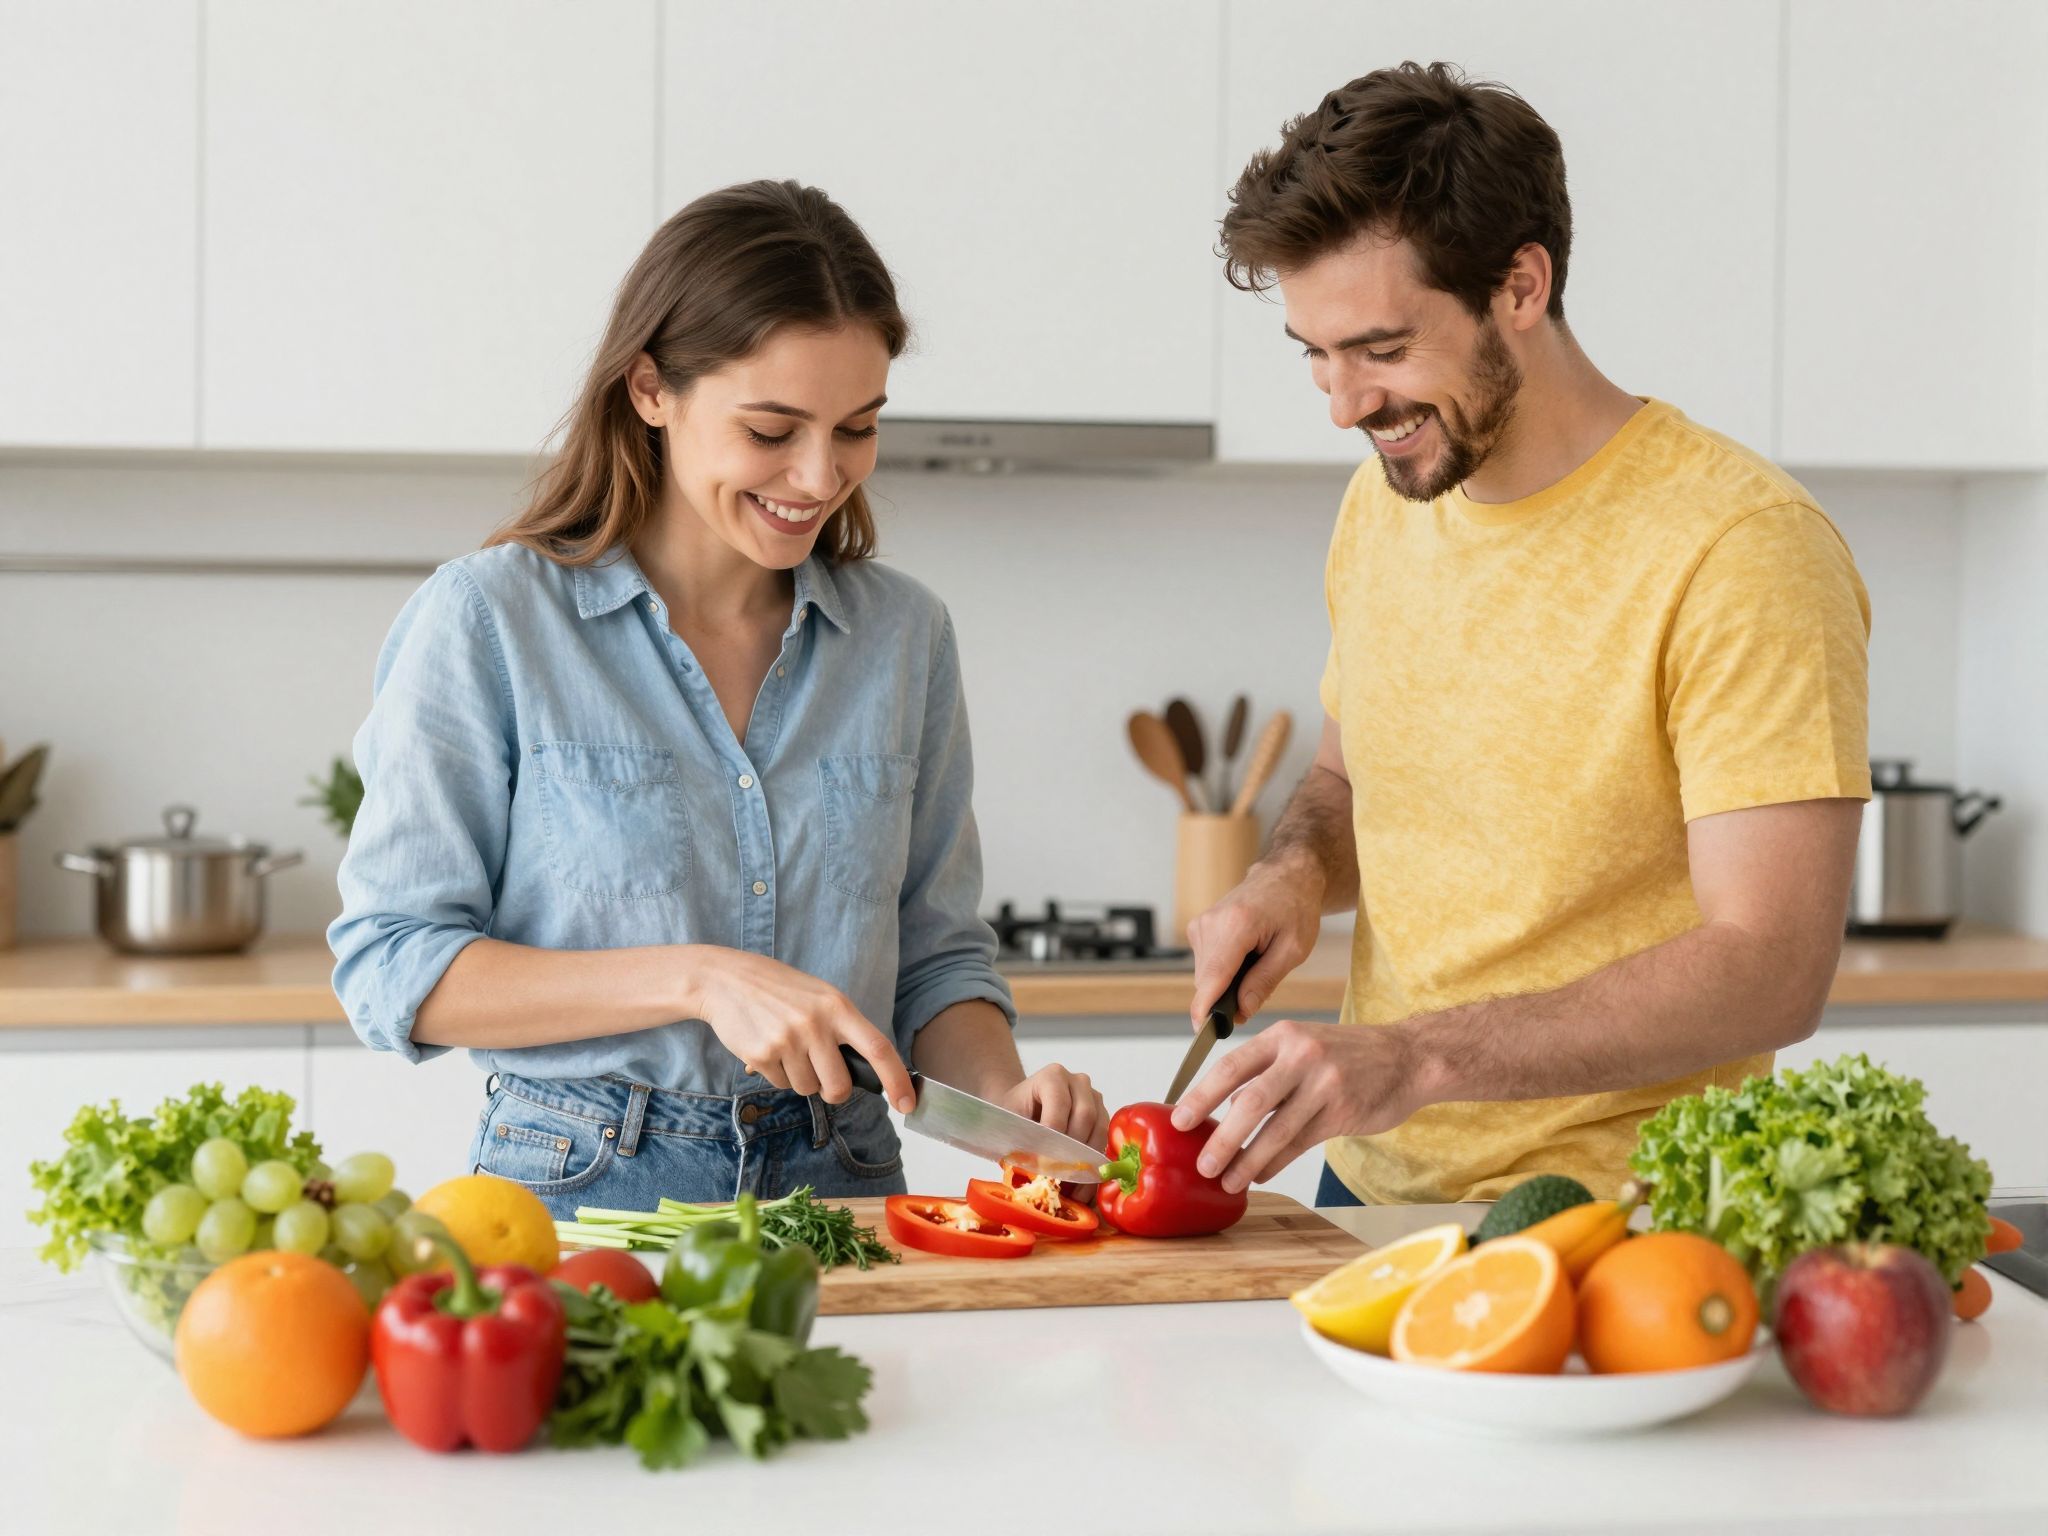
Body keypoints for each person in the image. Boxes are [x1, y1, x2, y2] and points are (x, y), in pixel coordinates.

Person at [329, 180, 1103, 1213]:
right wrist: (698, 978)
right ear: (651, 389)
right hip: (582, 1185)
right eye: (772, 429)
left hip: (850, 1189)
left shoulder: (902, 637)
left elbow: (933, 958)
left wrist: (1009, 1097)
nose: (821, 476)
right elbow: (393, 967)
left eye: (857, 428)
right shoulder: (491, 621)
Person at [1176, 63, 1870, 1206]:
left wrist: (1411, 1058)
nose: (1342, 403)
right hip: (1368, 1185)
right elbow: (1348, 782)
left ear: (1519, 286)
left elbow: (1771, 967)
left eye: (1381, 349)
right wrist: (1289, 878)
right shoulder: (1390, 499)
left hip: (1621, 1215)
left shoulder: (1739, 547)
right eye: (1313, 351)